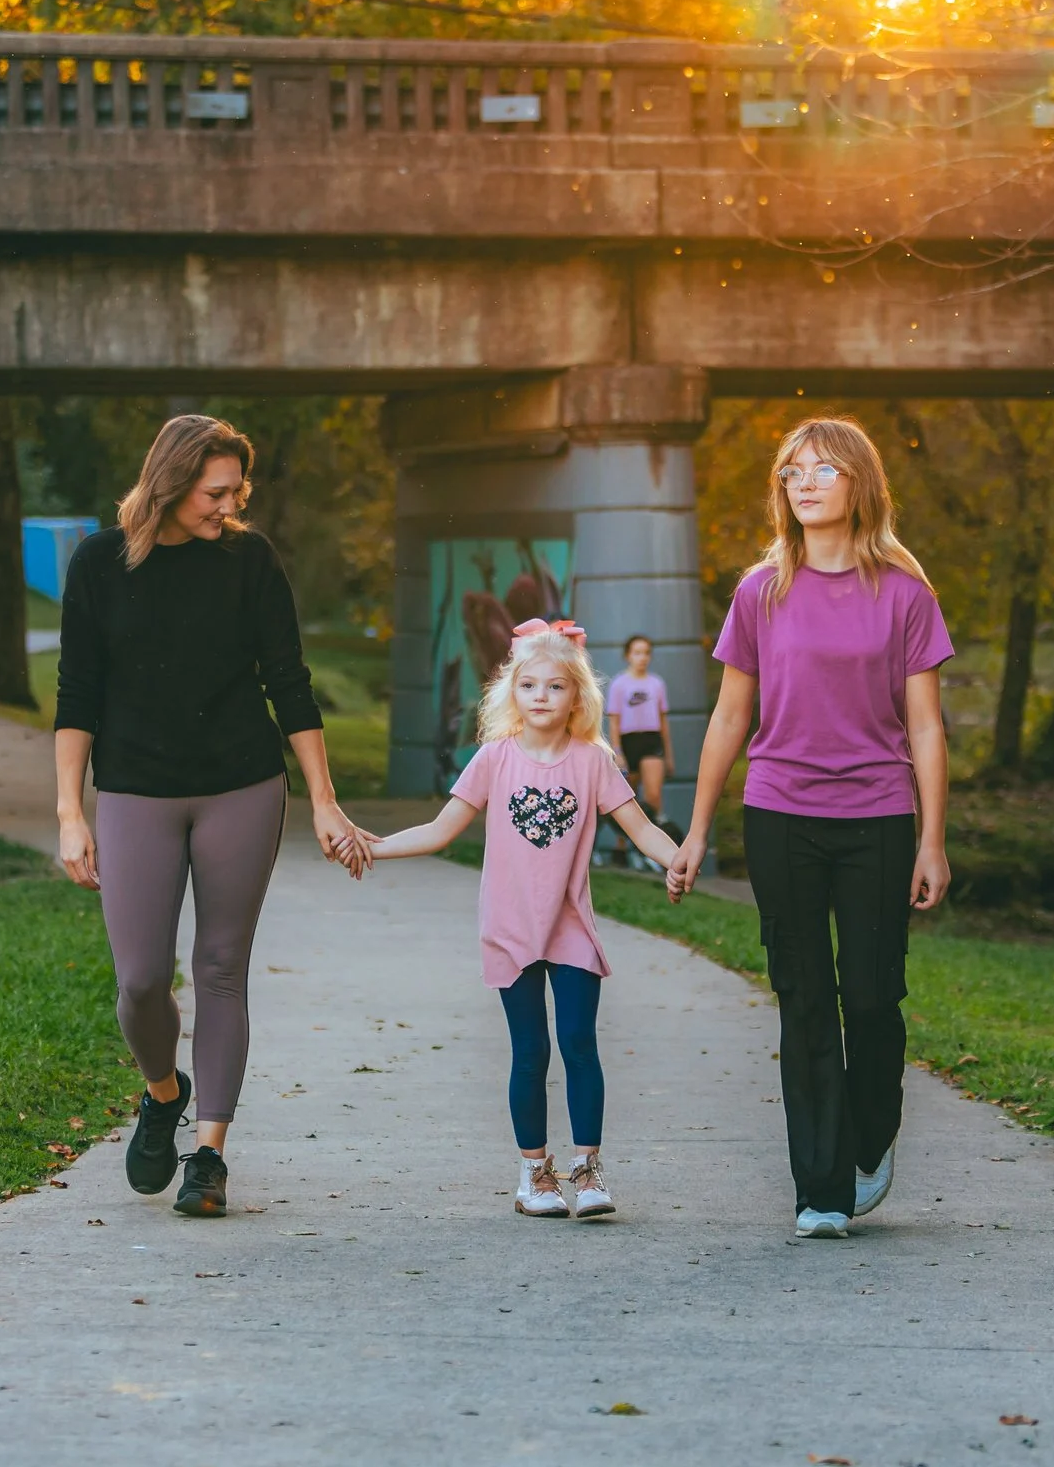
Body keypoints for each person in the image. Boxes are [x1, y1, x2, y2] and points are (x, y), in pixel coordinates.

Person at [53, 414, 371, 1221]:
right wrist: (69, 810)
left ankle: (209, 1155)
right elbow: (76, 695)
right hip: (134, 791)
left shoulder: (248, 559)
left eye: (237, 491)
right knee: (140, 980)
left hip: (241, 783)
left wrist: (325, 800)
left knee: (221, 967)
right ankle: (164, 1092)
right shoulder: (98, 563)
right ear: (171, 479)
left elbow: (289, 683)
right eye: (215, 491)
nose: (229, 505)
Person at [666, 417, 952, 1240]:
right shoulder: (762, 591)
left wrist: (932, 838)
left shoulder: (905, 592)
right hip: (781, 816)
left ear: (860, 481)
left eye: (822, 469)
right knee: (804, 1002)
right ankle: (821, 1190)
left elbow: (926, 727)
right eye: (792, 471)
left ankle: (872, 1130)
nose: (804, 482)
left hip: (880, 819)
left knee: (869, 998)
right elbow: (728, 718)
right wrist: (695, 831)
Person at [358, 620, 688, 1220]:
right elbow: (439, 830)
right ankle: (535, 1173)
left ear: (577, 698)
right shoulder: (493, 759)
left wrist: (679, 860)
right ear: (512, 692)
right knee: (530, 1051)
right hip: (510, 928)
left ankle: (587, 1170)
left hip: (570, 928)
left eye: (556, 686)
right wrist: (373, 847)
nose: (541, 696)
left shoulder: (592, 763)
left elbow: (641, 830)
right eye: (529, 684)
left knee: (579, 1044)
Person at [604, 634, 679, 843]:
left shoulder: (657, 684)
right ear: (628, 655)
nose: (642, 657)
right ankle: (625, 847)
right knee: (628, 800)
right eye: (637, 653)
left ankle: (655, 845)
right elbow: (614, 722)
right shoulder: (619, 684)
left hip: (651, 742)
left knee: (653, 796)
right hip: (628, 744)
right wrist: (617, 753)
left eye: (646, 653)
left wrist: (669, 756)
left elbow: (664, 722)